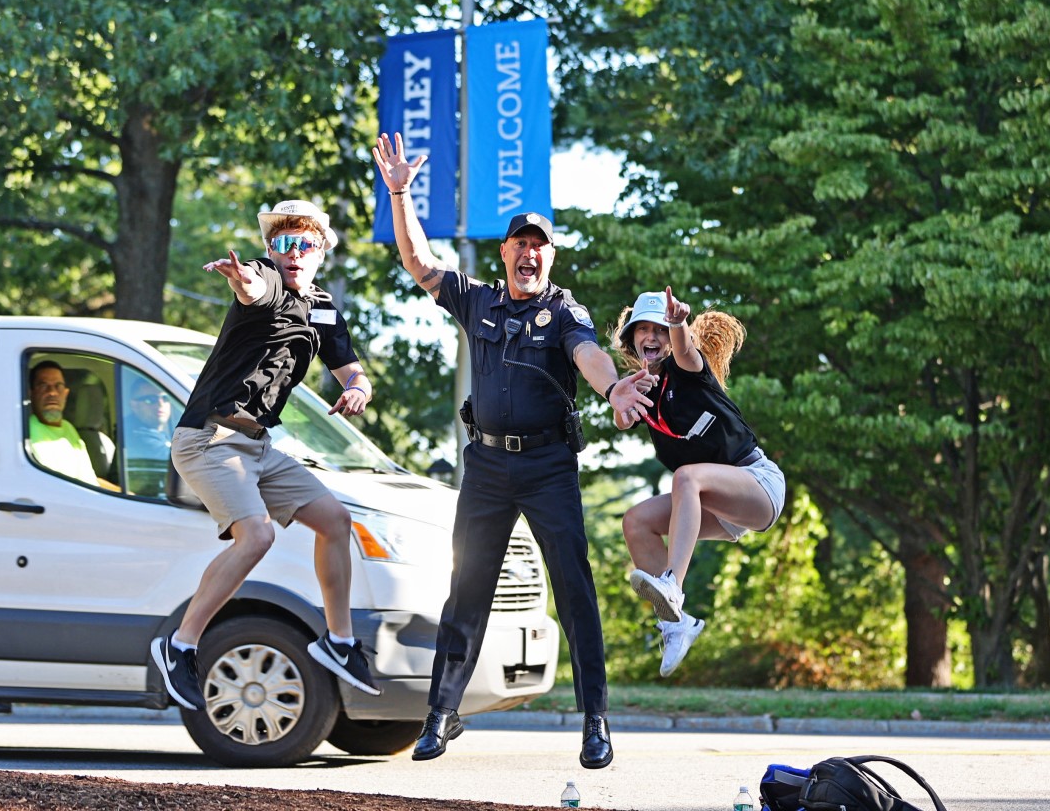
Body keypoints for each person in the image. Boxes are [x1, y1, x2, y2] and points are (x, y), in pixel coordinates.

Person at [372, 132, 655, 770]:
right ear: (504, 253)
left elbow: (590, 354)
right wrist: (398, 192)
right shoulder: (476, 299)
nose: (529, 254)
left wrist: (613, 389)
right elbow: (418, 263)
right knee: (466, 587)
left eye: (539, 245)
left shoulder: (564, 311)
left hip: (548, 466)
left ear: (550, 257)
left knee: (574, 589)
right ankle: (440, 715)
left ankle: (595, 721)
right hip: (488, 466)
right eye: (520, 244)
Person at [150, 199, 381, 712]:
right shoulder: (266, 280)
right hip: (208, 440)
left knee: (336, 521)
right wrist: (239, 278)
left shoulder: (322, 309)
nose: (292, 254)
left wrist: (359, 388)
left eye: (304, 245)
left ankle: (339, 642)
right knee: (257, 534)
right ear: (269, 251)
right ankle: (180, 645)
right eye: (282, 244)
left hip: (256, 447)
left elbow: (350, 369)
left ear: (322, 251)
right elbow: (252, 288)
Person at [611, 288, 786, 676]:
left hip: (758, 486)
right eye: (643, 330)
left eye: (659, 329)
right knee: (636, 521)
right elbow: (623, 419)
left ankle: (673, 583)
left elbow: (686, 350)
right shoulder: (644, 386)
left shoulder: (689, 371)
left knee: (686, 478)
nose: (651, 337)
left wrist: (677, 324)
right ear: (632, 339)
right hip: (718, 508)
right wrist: (621, 405)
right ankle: (676, 624)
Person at [28, 360, 117, 490]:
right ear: (31, 393)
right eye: (43, 385)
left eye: (58, 386)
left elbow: (88, 480)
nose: (52, 393)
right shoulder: (26, 431)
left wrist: (125, 494)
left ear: (65, 394)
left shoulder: (69, 428)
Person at [124, 377, 173, 497]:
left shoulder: (158, 432)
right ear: (134, 405)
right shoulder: (136, 436)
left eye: (165, 398)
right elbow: (187, 461)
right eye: (151, 400)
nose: (160, 404)